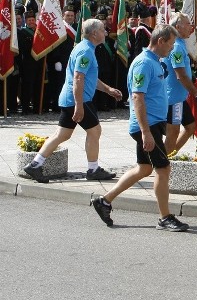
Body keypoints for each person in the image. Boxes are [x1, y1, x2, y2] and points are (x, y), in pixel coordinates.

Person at [91, 24, 190, 231]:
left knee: (144, 168)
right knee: (163, 169)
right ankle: (165, 217)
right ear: (160, 41)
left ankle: (104, 201)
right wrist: (146, 132)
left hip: (153, 123)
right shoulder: (144, 63)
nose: (173, 48)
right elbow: (137, 97)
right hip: (147, 125)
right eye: (171, 44)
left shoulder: (156, 61)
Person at [22, 18, 122, 183]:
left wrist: (108, 90)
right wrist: (79, 105)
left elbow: (89, 77)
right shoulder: (85, 51)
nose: (105, 32)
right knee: (95, 131)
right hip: (78, 99)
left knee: (62, 134)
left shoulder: (86, 48)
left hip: (72, 98)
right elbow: (78, 78)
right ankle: (93, 169)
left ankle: (35, 165)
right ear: (94, 33)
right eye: (103, 29)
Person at [164, 13, 197, 154]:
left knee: (190, 127)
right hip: (174, 98)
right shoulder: (176, 46)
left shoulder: (181, 43)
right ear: (178, 27)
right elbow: (180, 75)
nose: (192, 27)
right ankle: (163, 164)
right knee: (173, 132)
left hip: (180, 97)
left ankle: (169, 156)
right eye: (188, 24)